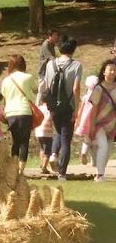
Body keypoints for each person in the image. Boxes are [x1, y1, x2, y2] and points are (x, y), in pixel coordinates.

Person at [43, 34, 82, 181]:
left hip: (53, 106)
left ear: (59, 48)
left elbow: (47, 86)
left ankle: (53, 154)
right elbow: (76, 88)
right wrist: (76, 109)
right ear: (73, 49)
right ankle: (62, 173)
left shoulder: (50, 64)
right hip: (68, 106)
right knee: (66, 138)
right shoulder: (76, 65)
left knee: (59, 131)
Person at [1, 54, 37, 174]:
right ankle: (21, 169)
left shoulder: (6, 80)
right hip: (25, 111)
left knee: (15, 141)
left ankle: (14, 168)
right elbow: (35, 90)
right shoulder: (27, 77)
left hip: (11, 113)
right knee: (24, 141)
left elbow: (5, 99)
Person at [88, 60, 116, 182]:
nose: (113, 72)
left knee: (108, 151)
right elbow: (93, 107)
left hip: (113, 124)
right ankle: (100, 175)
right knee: (103, 148)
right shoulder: (98, 88)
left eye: (114, 70)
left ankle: (99, 173)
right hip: (100, 124)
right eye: (110, 69)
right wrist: (91, 125)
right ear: (104, 71)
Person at [74, 75, 99, 165]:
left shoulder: (86, 96)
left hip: (85, 120)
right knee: (95, 141)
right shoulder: (98, 96)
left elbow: (81, 109)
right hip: (95, 120)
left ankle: (84, 152)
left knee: (86, 139)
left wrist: (78, 119)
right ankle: (94, 161)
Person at [37, 28, 59, 104]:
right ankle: (37, 106)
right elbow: (50, 58)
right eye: (54, 35)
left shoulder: (52, 44)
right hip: (43, 71)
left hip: (49, 71)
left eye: (57, 35)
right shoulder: (46, 44)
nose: (56, 37)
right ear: (49, 36)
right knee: (41, 91)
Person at [34, 100, 54, 173]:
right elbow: (51, 119)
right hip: (47, 132)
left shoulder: (39, 108)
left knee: (42, 148)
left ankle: (41, 163)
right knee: (47, 150)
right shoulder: (49, 109)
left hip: (38, 131)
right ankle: (44, 166)